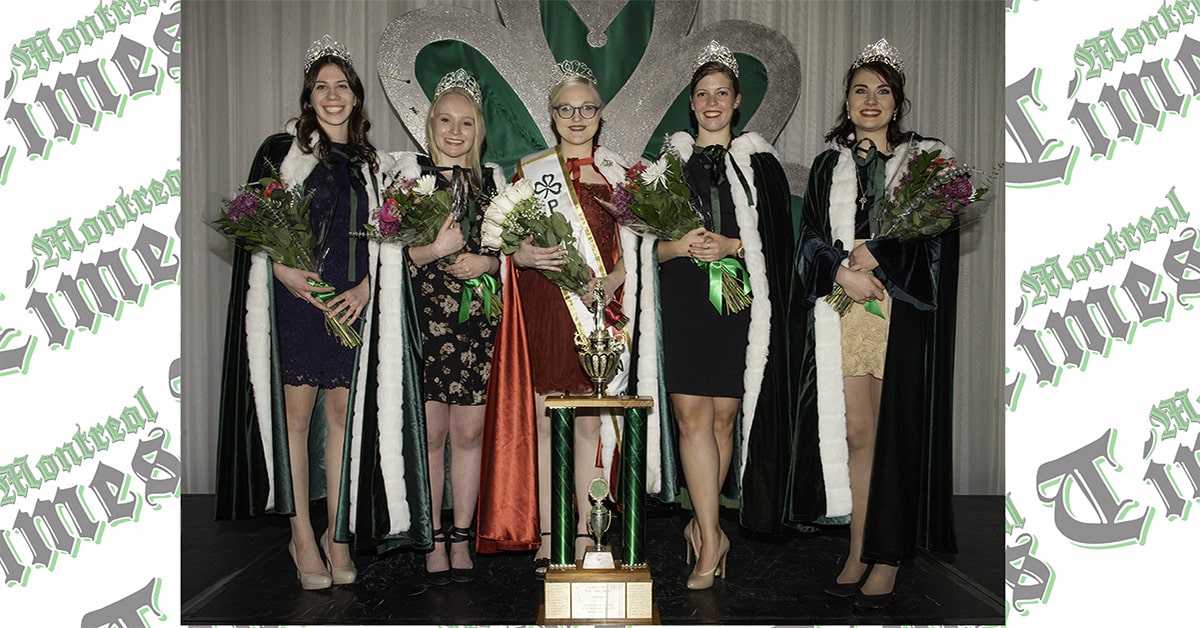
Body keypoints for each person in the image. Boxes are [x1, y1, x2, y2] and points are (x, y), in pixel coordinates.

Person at [213, 35, 431, 590]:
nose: (332, 96)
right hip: (298, 303)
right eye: (321, 88)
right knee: (294, 420)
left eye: (341, 87)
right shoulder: (280, 151)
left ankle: (337, 535)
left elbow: (390, 244)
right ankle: (301, 536)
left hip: (351, 306)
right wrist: (285, 272)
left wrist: (365, 288)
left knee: (342, 421)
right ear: (309, 98)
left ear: (356, 97)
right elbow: (256, 226)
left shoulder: (375, 166)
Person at [792, 38, 960, 609]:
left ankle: (889, 556)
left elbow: (935, 241)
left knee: (893, 434)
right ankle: (860, 548)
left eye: (882, 91)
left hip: (898, 312)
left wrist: (880, 254)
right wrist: (842, 272)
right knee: (858, 434)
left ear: (897, 102)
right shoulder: (828, 166)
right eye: (860, 90)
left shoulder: (927, 161)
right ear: (846, 101)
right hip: (846, 309)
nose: (870, 100)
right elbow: (809, 239)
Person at [633, 40, 796, 590]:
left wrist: (733, 246)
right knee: (691, 419)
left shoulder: (761, 166)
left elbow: (780, 244)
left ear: (737, 101)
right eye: (702, 94)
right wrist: (680, 246)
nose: (711, 103)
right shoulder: (667, 166)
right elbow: (642, 248)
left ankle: (707, 527)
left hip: (738, 303)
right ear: (690, 102)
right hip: (684, 300)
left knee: (725, 419)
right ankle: (709, 539)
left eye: (721, 93)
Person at [475, 60, 639, 578]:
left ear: (601, 113)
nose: (577, 118)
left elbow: (632, 251)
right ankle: (550, 534)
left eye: (587, 108)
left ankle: (590, 535)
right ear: (551, 115)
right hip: (545, 303)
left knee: (588, 423)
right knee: (548, 421)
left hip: (595, 308)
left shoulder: (617, 177)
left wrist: (612, 282)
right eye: (566, 109)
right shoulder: (530, 173)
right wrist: (519, 255)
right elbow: (506, 242)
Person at [391, 69, 505, 585]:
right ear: (430, 123)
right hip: (426, 320)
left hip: (478, 323)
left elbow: (512, 255)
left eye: (465, 122)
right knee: (432, 433)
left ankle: (462, 534)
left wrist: (489, 264)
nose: (454, 132)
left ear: (478, 129)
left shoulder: (493, 186)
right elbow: (385, 259)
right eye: (445, 120)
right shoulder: (407, 182)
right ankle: (432, 536)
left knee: (470, 432)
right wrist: (432, 250)